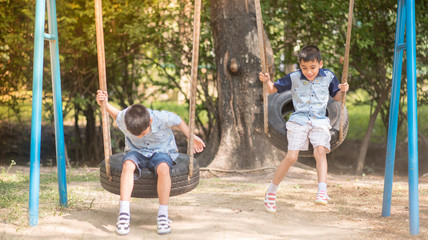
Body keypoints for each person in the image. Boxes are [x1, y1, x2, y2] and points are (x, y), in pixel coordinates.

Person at [96, 90, 206, 235]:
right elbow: (116, 114)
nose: (140, 136)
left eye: (143, 133)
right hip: (136, 151)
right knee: (127, 165)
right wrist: (104, 104)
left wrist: (191, 136)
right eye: (136, 134)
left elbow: (178, 121)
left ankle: (163, 216)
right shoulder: (125, 118)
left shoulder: (161, 117)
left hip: (162, 150)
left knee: (163, 168)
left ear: (150, 122)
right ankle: (123, 214)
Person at [259, 45, 349, 212]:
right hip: (299, 120)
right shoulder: (294, 77)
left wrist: (343, 91)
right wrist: (267, 81)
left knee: (320, 151)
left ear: (320, 64)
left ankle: (322, 190)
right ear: (299, 65)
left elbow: (336, 98)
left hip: (320, 120)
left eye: (313, 67)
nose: (309, 72)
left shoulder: (328, 76)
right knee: (292, 157)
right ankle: (271, 191)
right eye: (304, 68)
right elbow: (272, 90)